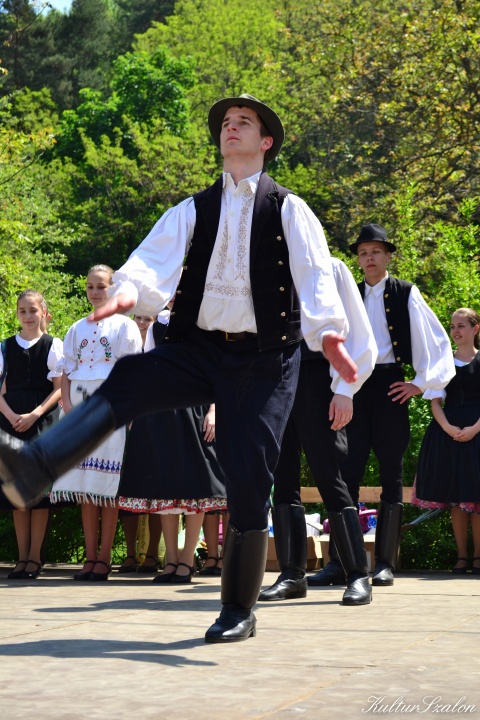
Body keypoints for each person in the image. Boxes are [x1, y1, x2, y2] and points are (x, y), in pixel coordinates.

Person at [0, 94, 358, 643]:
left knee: (248, 474)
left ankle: (237, 609)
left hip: (265, 360)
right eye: (226, 123)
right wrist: (127, 292)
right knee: (132, 378)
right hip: (198, 348)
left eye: (243, 122)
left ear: (265, 142)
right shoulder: (193, 209)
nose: (231, 128)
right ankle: (36, 466)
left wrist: (329, 334)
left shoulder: (290, 209)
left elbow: (315, 278)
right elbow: (150, 262)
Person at [335, 223, 455, 587]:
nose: (369, 258)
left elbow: (436, 341)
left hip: (390, 385)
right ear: (358, 260)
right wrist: (338, 388)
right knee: (347, 471)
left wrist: (419, 384)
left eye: (375, 252)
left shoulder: (405, 292)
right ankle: (344, 562)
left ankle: (385, 563)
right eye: (363, 253)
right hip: (354, 386)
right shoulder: (348, 295)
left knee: (391, 472)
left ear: (388, 256)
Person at [258, 257, 377, 605]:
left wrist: (345, 390)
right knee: (282, 479)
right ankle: (292, 575)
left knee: (329, 475)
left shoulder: (330, 267)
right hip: (275, 377)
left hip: (317, 378)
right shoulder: (264, 267)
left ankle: (357, 574)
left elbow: (358, 333)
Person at [48, 265, 142, 581]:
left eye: (101, 286)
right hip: (78, 409)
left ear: (113, 287)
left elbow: (131, 373)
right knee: (84, 487)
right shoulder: (77, 327)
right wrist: (67, 405)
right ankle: (89, 558)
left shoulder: (125, 326)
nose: (95, 292)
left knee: (106, 485)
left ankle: (104, 559)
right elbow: (66, 372)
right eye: (90, 286)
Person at [118, 311, 227, 583]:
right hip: (161, 409)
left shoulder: (203, 321)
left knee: (195, 484)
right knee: (164, 484)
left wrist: (214, 410)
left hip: (195, 406)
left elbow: (216, 368)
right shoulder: (158, 325)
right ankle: (171, 560)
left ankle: (187, 559)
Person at [0, 290, 63, 580]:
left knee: (38, 491)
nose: (27, 316)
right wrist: (11, 416)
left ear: (43, 313)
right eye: (22, 311)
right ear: (17, 314)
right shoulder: (4, 347)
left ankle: (35, 557)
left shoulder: (53, 345)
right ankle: (21, 557)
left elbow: (59, 388)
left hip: (41, 420)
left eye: (33, 310)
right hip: (10, 420)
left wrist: (35, 414)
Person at [413, 308, 480, 575]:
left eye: (461, 326)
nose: (455, 331)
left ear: (475, 329)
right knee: (456, 498)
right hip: (448, 435)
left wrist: (474, 430)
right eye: (452, 326)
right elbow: (435, 403)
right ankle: (462, 556)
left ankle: (479, 556)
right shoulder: (444, 362)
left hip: (477, 432)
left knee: (477, 499)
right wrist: (449, 428)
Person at [117, 313, 163, 574]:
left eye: (147, 318)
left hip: (156, 422)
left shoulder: (161, 346)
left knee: (155, 489)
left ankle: (153, 554)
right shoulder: (127, 349)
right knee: (129, 490)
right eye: (138, 318)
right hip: (128, 423)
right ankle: (130, 553)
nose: (142, 323)